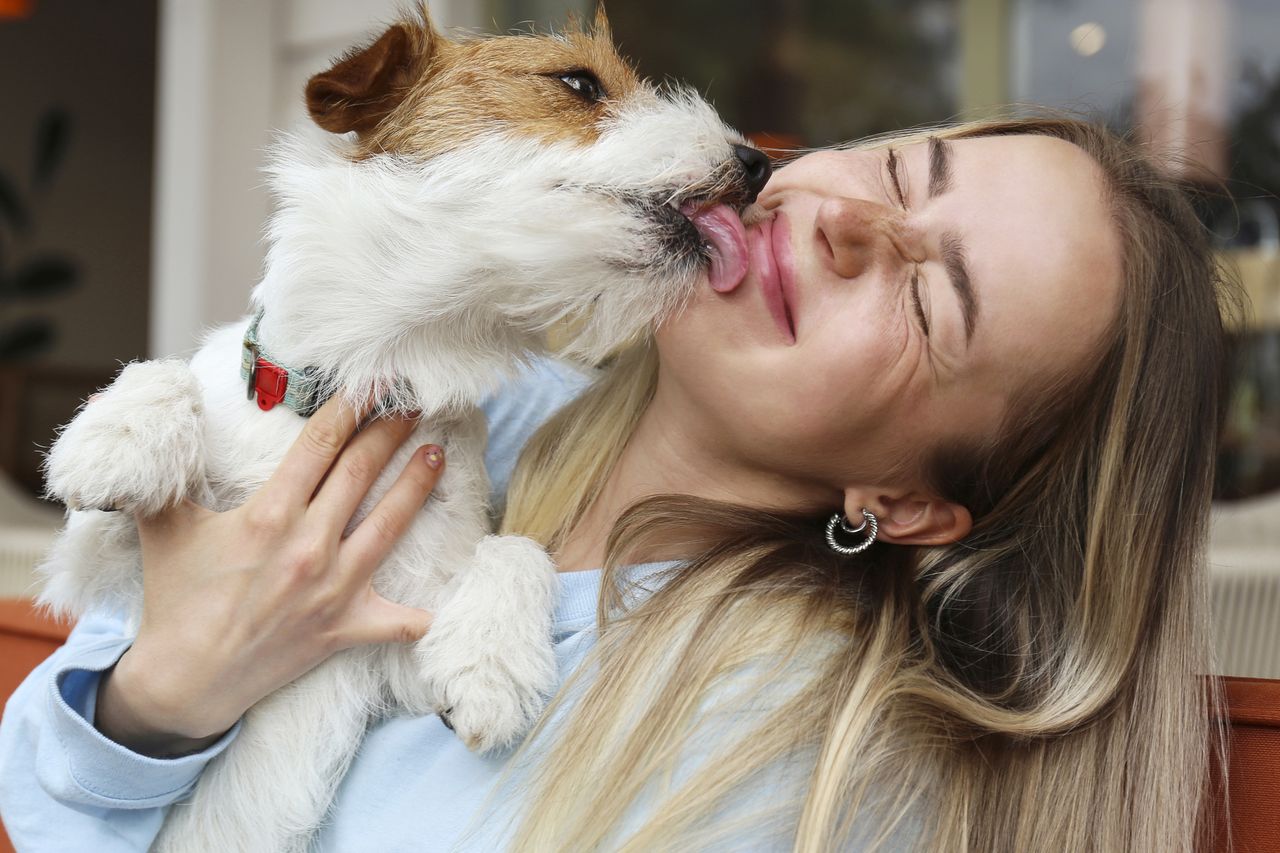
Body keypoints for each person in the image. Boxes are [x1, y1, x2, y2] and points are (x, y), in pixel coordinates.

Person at [0, 115, 1238, 852]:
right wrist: (168, 694)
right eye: (905, 170)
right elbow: (42, 787)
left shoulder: (790, 762)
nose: (850, 222)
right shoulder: (473, 405)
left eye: (928, 299)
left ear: (903, 503)